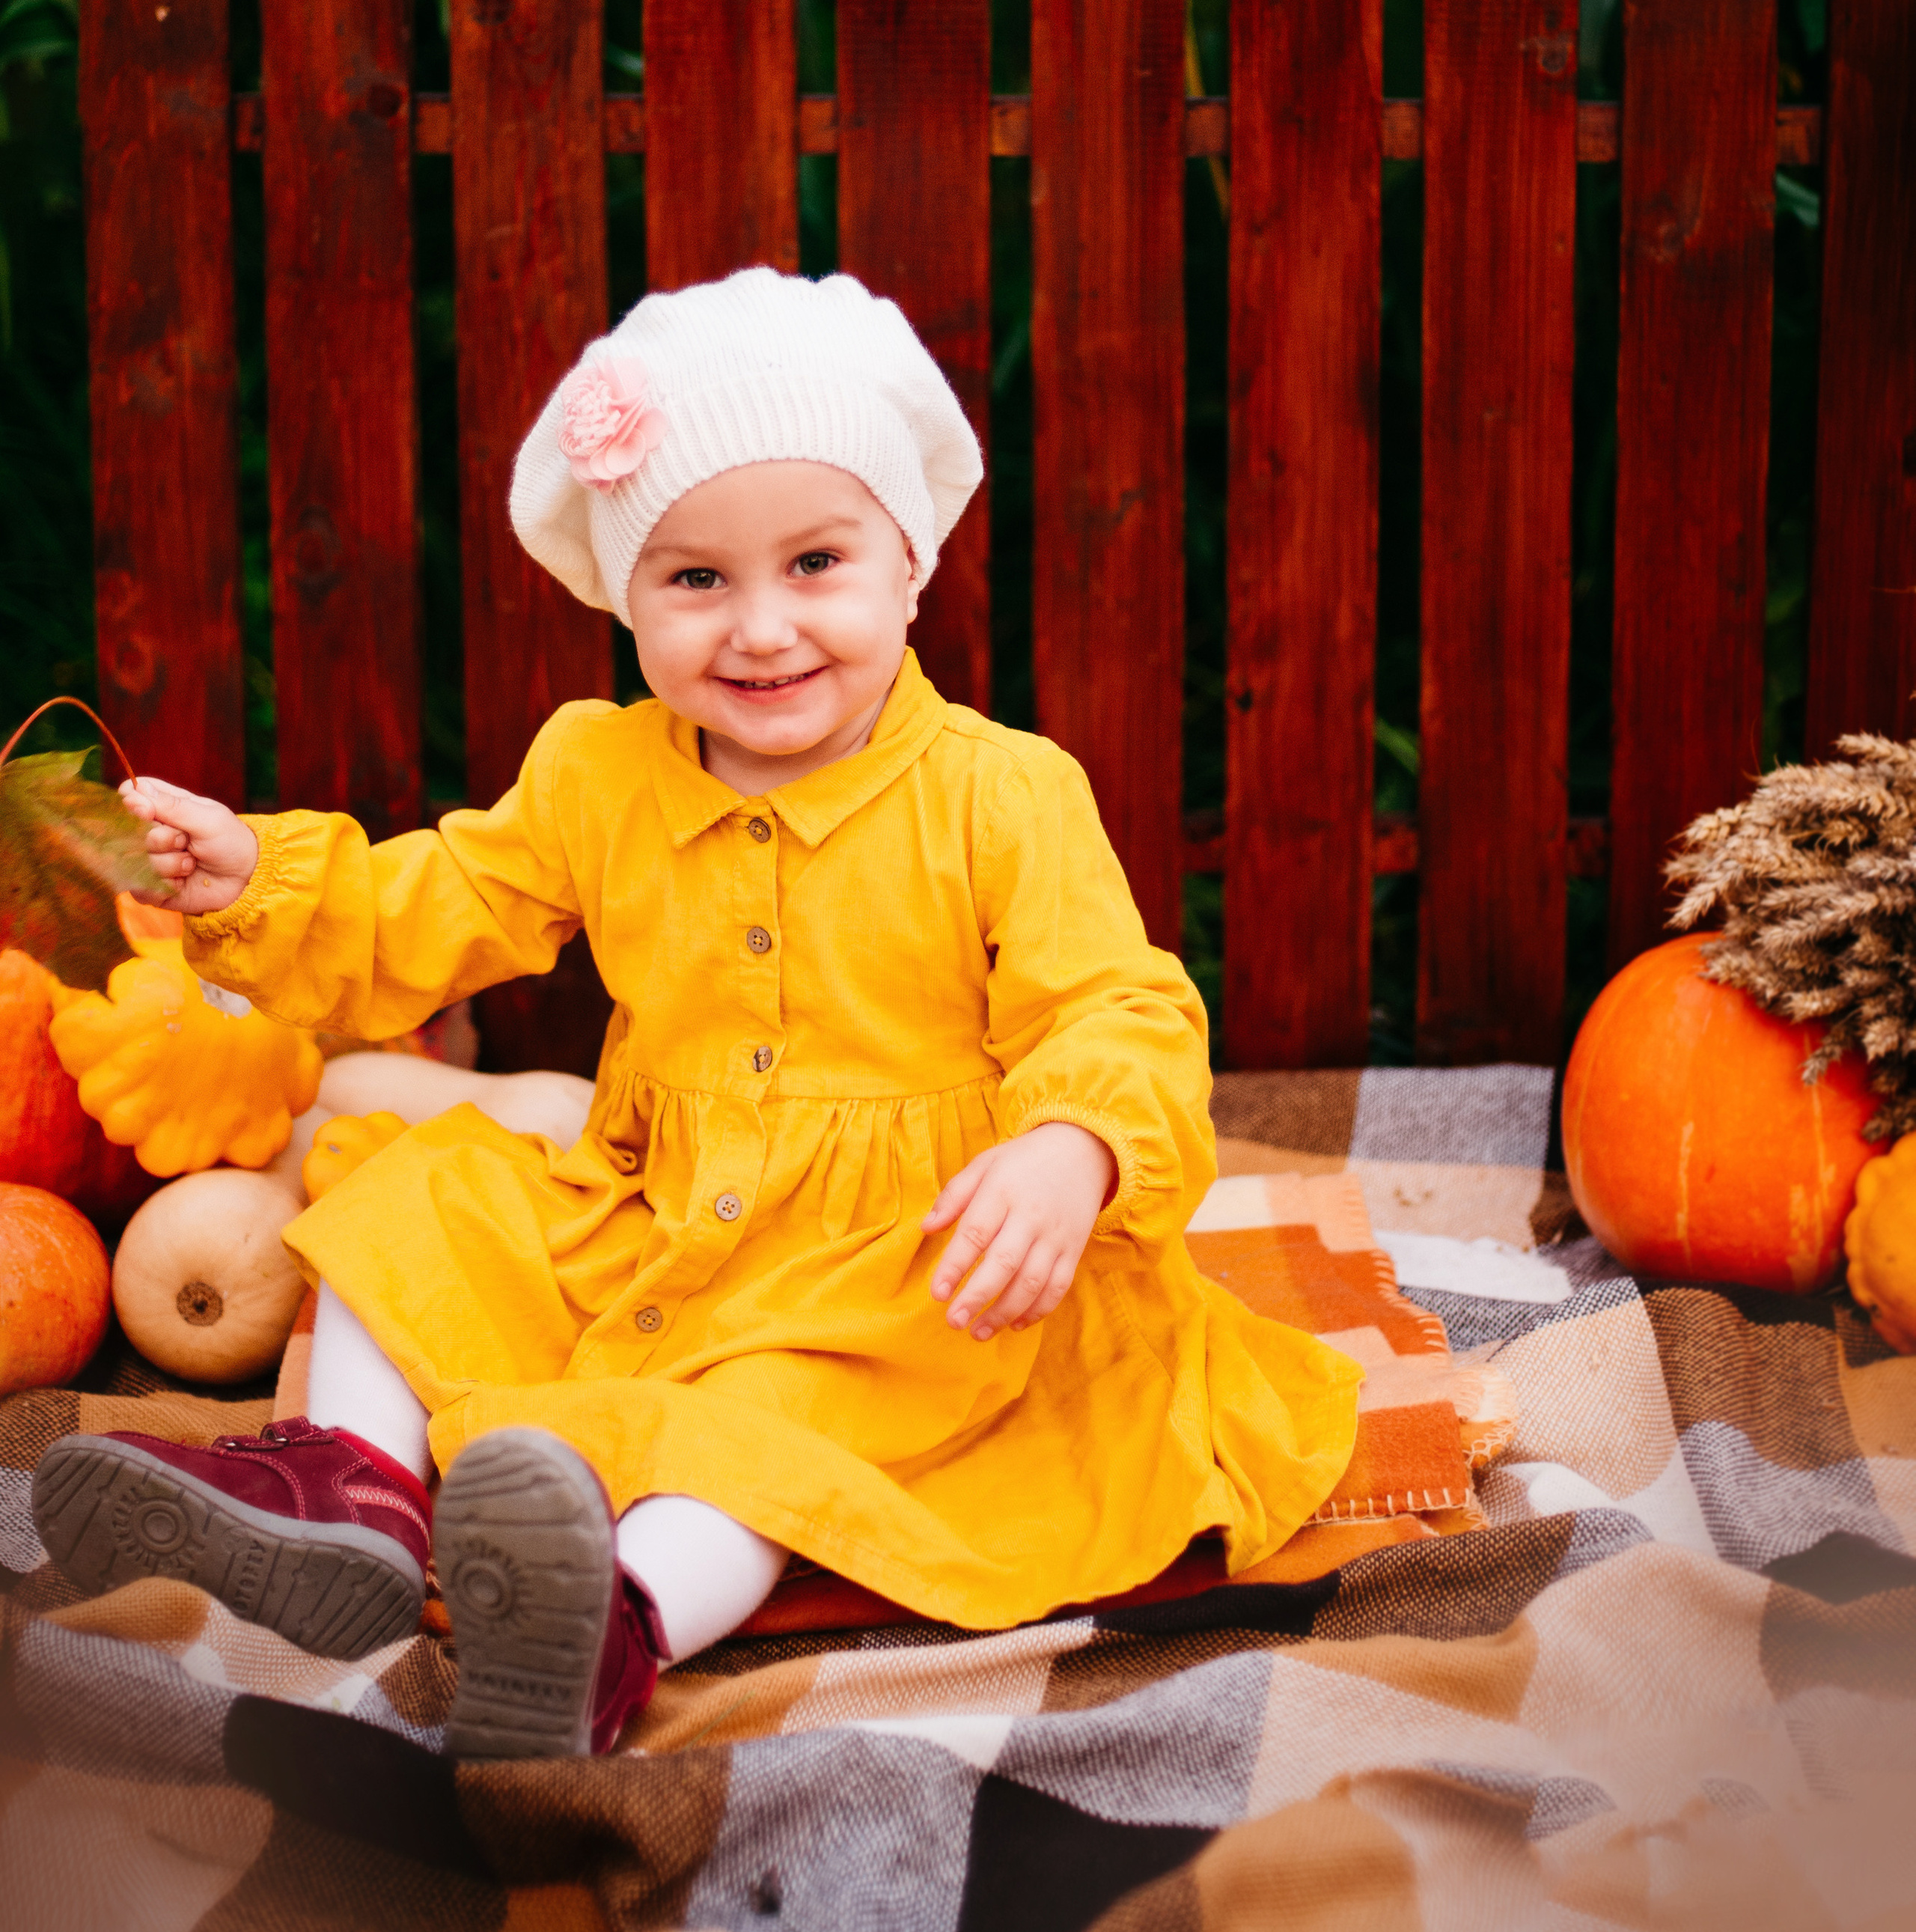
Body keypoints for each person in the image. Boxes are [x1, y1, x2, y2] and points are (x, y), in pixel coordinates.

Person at [34, 267, 1359, 1759]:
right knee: (420, 1188)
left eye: (813, 562)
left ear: (907, 565)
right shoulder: (603, 772)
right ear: (626, 597)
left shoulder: (998, 793)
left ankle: (604, 1618)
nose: (760, 627)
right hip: (659, 1214)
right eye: (694, 579)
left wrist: (1072, 1147)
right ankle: (349, 1492)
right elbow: (440, 904)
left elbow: (1113, 1004)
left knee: (759, 1425)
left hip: (900, 1269)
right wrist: (249, 879)